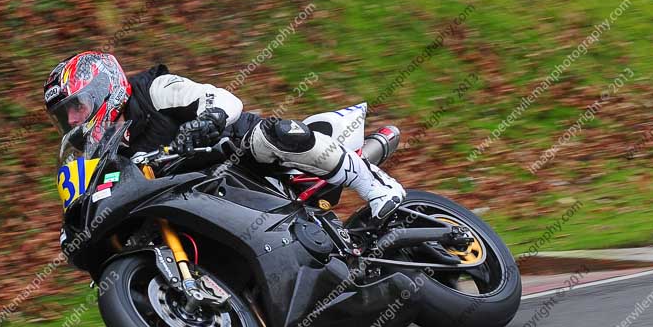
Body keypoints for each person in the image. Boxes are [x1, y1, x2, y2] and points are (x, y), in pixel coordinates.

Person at [44, 51, 405, 219]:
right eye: (66, 115)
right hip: (198, 193)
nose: (73, 119)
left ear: (102, 87)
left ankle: (375, 184)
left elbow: (223, 98)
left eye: (76, 107)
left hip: (238, 152)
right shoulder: (101, 146)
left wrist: (207, 120)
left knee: (271, 134)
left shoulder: (154, 89)